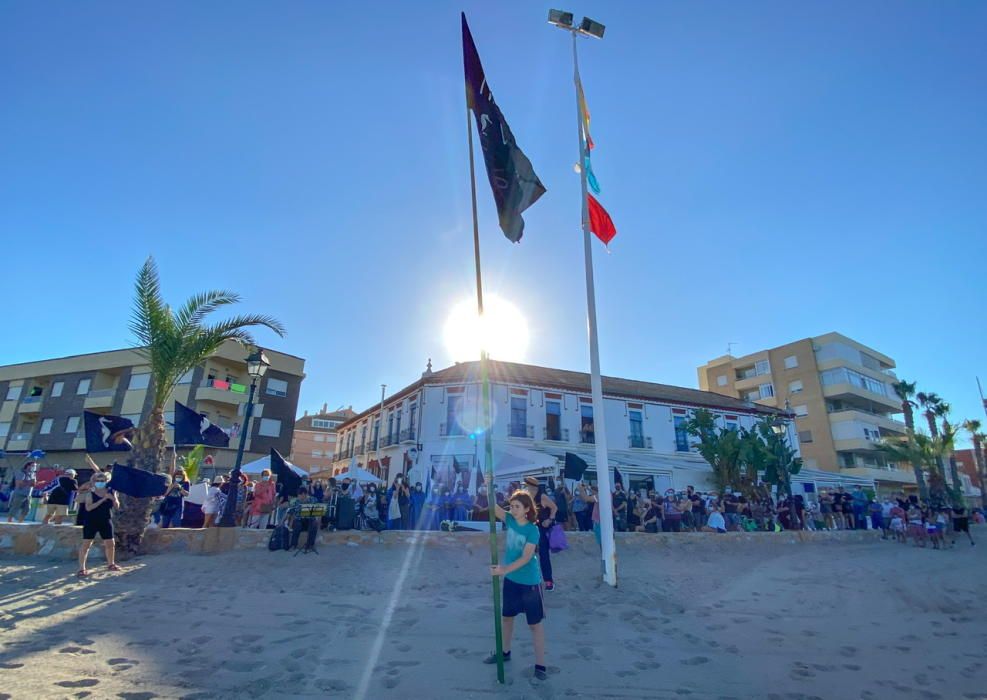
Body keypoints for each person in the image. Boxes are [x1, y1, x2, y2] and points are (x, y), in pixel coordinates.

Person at [483, 490, 548, 681]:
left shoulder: (532, 530)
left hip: (530, 584)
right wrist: (488, 485)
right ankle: (504, 652)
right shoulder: (510, 520)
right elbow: (494, 507)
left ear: (527, 509)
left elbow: (527, 557)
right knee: (507, 618)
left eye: (517, 506)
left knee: (534, 625)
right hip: (512, 581)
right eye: (511, 506)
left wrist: (504, 569)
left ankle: (541, 665)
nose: (513, 509)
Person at [77, 472, 121, 577]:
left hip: (106, 520)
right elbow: (89, 508)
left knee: (110, 544)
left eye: (102, 481)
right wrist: (103, 499)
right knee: (86, 544)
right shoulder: (90, 493)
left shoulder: (111, 492)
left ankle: (111, 564)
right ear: (94, 482)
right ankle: (81, 568)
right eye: (98, 481)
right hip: (91, 521)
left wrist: (113, 498)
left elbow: (117, 506)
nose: (100, 483)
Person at [523, 476, 558, 592]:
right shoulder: (526, 497)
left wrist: (549, 520)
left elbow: (554, 508)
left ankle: (548, 581)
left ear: (532, 487)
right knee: (528, 554)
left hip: (542, 529)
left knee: (543, 555)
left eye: (527, 486)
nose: (526, 487)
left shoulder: (542, 497)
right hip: (530, 529)